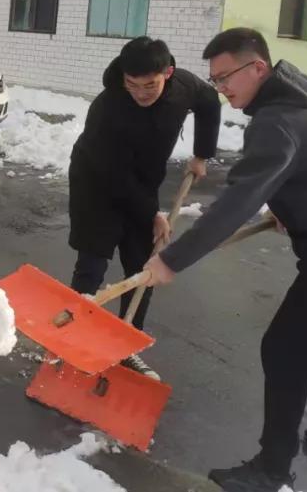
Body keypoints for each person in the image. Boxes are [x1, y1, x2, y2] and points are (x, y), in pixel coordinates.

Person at [145, 28, 307, 492]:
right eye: (214, 80)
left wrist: (173, 260)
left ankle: (271, 469)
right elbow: (305, 164)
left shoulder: (276, 119)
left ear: (258, 68)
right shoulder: (297, 92)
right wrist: (287, 206)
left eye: (226, 78)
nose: (221, 89)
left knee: (285, 351)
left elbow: (237, 199)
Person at [69, 36, 221, 380]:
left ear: (168, 72)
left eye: (149, 84)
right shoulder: (108, 108)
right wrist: (152, 213)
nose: (141, 93)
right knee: (93, 259)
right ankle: (72, 340)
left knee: (143, 266)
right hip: (96, 183)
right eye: (132, 84)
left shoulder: (184, 86)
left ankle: (126, 345)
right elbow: (113, 174)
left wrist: (201, 153)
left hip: (143, 182)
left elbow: (209, 99)